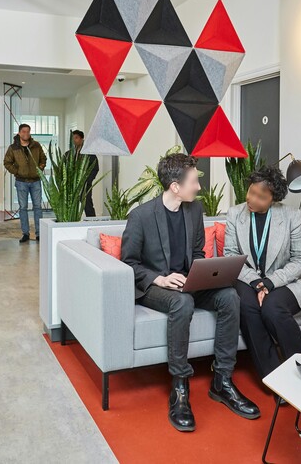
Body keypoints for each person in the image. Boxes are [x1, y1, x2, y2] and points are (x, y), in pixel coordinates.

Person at [120, 153, 259, 432]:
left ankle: (222, 381)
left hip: (188, 282)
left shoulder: (194, 210)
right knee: (182, 303)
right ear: (175, 186)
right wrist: (160, 279)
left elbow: (197, 252)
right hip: (155, 287)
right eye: (194, 181)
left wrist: (201, 274)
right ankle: (180, 386)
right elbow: (129, 263)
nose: (198, 187)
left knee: (229, 296)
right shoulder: (140, 216)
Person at [224, 166, 301, 379]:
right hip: (247, 280)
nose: (252, 199)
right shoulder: (235, 214)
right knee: (248, 306)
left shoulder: (291, 215)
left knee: (272, 308)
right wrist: (257, 282)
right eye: (251, 191)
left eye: (261, 197)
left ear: (273, 199)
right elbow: (231, 255)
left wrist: (270, 282)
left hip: (285, 282)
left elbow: (300, 259)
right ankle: (274, 376)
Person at [3, 123, 47, 243]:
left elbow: (43, 158)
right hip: (21, 182)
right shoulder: (13, 148)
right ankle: (25, 233)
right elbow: (7, 162)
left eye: (28, 131)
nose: (26, 134)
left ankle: (39, 233)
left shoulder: (36, 145)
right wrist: (17, 171)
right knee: (23, 208)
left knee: (38, 207)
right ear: (19, 133)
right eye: (23, 131)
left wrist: (40, 168)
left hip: (36, 181)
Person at [64, 130, 99, 217]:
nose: (74, 140)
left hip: (85, 184)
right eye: (73, 138)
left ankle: (92, 221)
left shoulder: (89, 153)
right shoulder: (68, 154)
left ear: (82, 139)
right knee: (71, 205)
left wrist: (87, 180)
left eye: (76, 138)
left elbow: (95, 168)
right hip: (72, 185)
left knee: (87, 204)